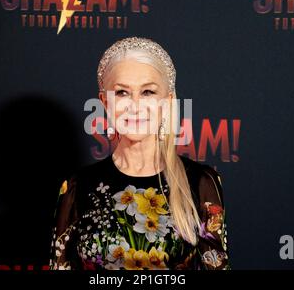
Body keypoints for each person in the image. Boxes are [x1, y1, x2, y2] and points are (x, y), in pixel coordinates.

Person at [49, 37, 229, 270]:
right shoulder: (77, 187)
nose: (135, 105)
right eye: (122, 92)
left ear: (168, 102)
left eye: (147, 92)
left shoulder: (201, 182)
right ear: (105, 102)